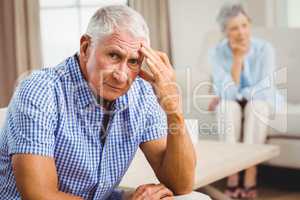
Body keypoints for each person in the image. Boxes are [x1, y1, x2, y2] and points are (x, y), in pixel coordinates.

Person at [0, 5, 199, 200]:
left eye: (133, 62)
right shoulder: (40, 91)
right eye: (114, 55)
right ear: (85, 47)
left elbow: (181, 184)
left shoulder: (141, 93)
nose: (122, 76)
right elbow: (40, 196)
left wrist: (174, 110)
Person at [208, 2, 279, 199]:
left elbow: (264, 89)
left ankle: (250, 173)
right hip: (233, 101)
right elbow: (228, 94)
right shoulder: (217, 52)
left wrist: (236, 94)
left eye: (244, 25)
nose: (241, 32)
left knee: (256, 106)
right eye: (234, 28)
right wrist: (237, 59)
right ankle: (232, 175)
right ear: (225, 32)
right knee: (225, 107)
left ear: (249, 24)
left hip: (259, 100)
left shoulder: (265, 49)